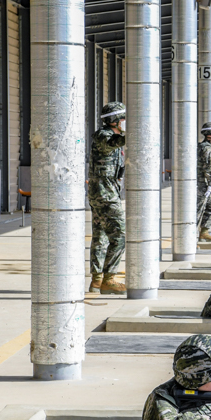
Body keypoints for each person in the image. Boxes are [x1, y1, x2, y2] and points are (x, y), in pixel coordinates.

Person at [88, 102, 127, 294]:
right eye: (122, 119)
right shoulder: (104, 136)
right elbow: (115, 143)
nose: (124, 122)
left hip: (103, 193)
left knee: (101, 236)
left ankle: (96, 280)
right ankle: (109, 278)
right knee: (120, 235)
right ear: (114, 120)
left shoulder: (111, 136)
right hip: (105, 196)